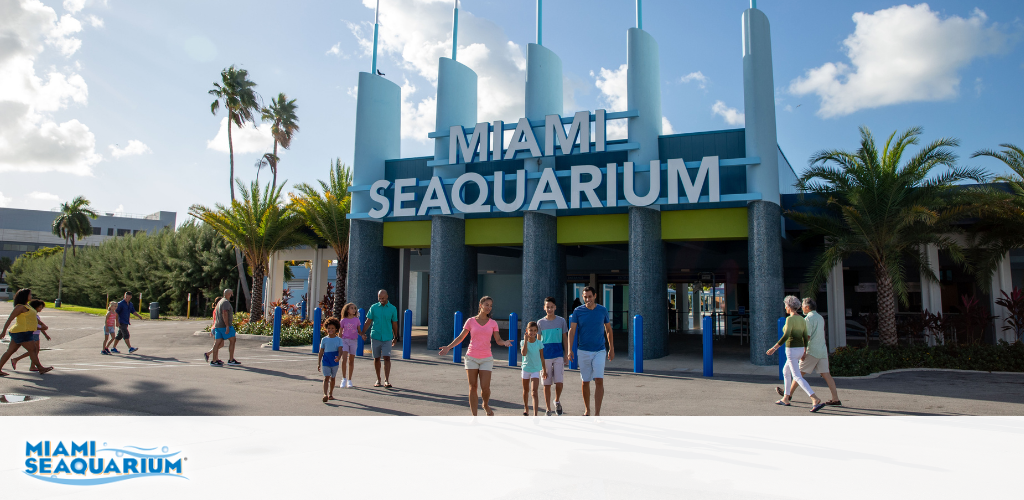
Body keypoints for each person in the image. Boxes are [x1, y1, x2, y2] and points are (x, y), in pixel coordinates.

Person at [439, 296, 512, 416]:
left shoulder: (493, 323)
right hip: (471, 357)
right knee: (473, 387)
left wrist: (504, 342)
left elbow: (498, 340)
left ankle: (485, 404)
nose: (489, 307)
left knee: (485, 388)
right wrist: (448, 347)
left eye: (491, 305)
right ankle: (474, 417)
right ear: (480, 305)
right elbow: (461, 337)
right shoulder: (470, 321)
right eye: (487, 304)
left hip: (486, 358)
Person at [778, 298, 842, 406]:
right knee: (826, 374)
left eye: (802, 306)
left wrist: (803, 351)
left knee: (798, 374)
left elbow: (806, 336)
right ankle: (835, 398)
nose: (801, 308)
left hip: (811, 351)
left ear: (807, 307)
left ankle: (787, 396)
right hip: (822, 350)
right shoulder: (820, 317)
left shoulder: (808, 319)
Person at [767, 295, 825, 412]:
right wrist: (804, 351)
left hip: (792, 350)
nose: (785, 308)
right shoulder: (802, 319)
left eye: (785, 306)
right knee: (785, 371)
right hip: (799, 350)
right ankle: (786, 398)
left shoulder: (790, 319)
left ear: (789, 306)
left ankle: (814, 398)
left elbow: (786, 335)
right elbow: (805, 336)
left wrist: (774, 348)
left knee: (797, 376)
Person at [567, 286, 614, 416]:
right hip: (583, 351)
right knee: (585, 381)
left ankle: (597, 413)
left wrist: (611, 348)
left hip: (599, 350)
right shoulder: (578, 311)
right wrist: (570, 349)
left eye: (590, 296)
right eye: (585, 297)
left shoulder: (602, 310)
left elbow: (608, 330)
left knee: (599, 380)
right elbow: (572, 331)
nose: (588, 299)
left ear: (595, 296)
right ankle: (587, 409)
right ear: (583, 297)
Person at [0, 288, 52, 376]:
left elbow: (33, 318)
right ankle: (40, 368)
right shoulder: (20, 307)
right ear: (25, 296)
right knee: (33, 349)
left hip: (24, 332)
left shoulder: (27, 306)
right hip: (21, 332)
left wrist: (42, 325)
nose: (31, 296)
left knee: (10, 351)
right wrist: (3, 332)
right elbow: (10, 319)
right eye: (30, 294)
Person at [538, 296, 569, 416]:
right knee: (546, 383)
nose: (550, 309)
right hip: (545, 356)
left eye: (552, 307)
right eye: (547, 307)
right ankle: (548, 408)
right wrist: (539, 357)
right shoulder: (540, 322)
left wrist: (566, 353)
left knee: (559, 381)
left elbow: (565, 338)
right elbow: (538, 341)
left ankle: (557, 400)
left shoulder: (561, 321)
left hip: (558, 355)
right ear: (544, 308)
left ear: (555, 307)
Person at [361, 290, 398, 388]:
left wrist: (395, 337)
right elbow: (368, 322)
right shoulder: (373, 307)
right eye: (379, 298)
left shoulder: (392, 308)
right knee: (376, 358)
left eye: (383, 298)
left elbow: (394, 324)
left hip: (387, 337)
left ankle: (386, 380)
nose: (381, 300)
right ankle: (378, 379)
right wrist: (362, 332)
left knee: (387, 358)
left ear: (387, 296)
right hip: (376, 336)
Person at [11, 300, 50, 371]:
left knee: (35, 351)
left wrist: (45, 334)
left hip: (36, 334)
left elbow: (40, 326)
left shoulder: (36, 315)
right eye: (40, 307)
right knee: (33, 350)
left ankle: (32, 366)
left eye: (42, 307)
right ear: (35, 307)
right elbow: (35, 325)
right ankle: (17, 359)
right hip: (33, 333)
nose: (41, 309)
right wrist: (42, 329)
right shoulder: (32, 315)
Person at [207, 289, 240, 366]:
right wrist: (227, 326)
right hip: (224, 326)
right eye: (232, 294)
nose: (232, 296)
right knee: (233, 340)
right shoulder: (225, 302)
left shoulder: (220, 302)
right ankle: (231, 360)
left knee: (217, 343)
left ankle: (214, 361)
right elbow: (225, 313)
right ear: (229, 294)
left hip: (217, 326)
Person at [520, 321, 547, 416]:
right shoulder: (523, 342)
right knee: (525, 390)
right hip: (526, 368)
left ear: (537, 332)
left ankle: (535, 414)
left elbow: (542, 358)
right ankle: (526, 407)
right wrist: (526, 341)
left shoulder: (539, 343)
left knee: (534, 391)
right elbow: (523, 353)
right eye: (531, 330)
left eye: (535, 331)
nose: (532, 332)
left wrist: (544, 370)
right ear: (527, 330)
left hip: (536, 369)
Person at [318, 317, 344, 402]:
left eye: (332, 328)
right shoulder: (324, 339)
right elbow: (321, 351)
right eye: (328, 328)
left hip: (334, 361)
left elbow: (340, 350)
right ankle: (325, 394)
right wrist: (319, 363)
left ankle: (331, 393)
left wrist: (339, 357)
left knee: (333, 378)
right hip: (326, 361)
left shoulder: (338, 339)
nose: (330, 330)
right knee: (326, 377)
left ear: (336, 328)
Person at [339, 303, 361, 388]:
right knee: (344, 359)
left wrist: (362, 335)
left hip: (353, 341)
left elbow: (359, 331)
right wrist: (339, 342)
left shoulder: (357, 320)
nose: (354, 310)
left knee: (351, 361)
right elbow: (340, 332)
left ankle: (349, 380)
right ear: (347, 310)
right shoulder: (343, 320)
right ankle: (343, 378)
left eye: (355, 308)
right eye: (352, 308)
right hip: (344, 340)